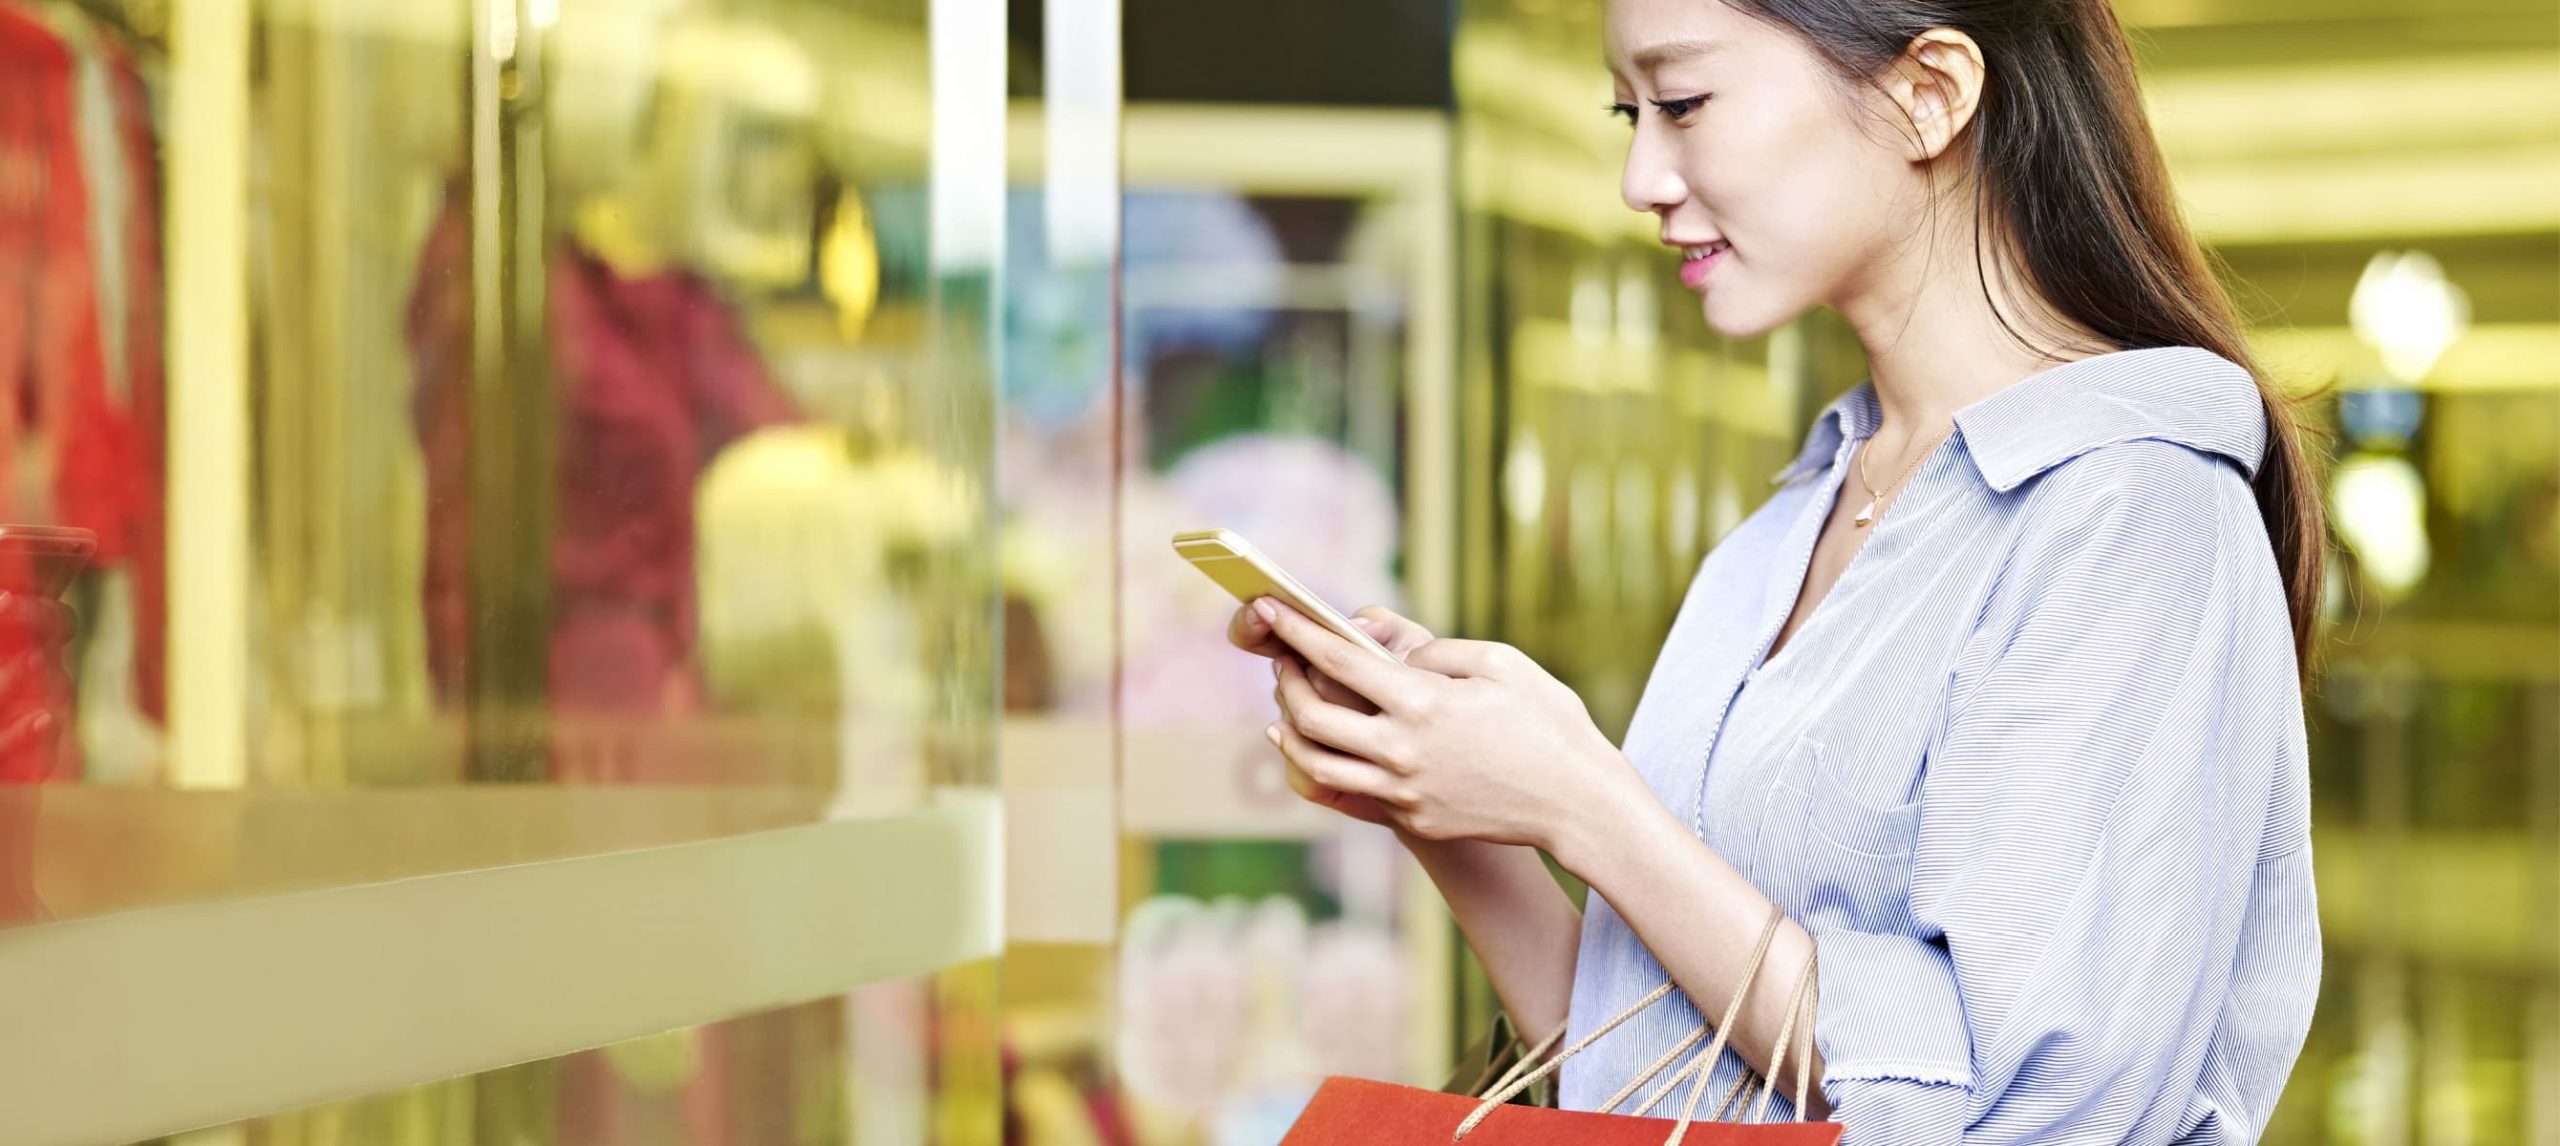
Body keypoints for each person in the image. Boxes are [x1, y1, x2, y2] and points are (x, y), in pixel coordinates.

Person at [1229, 0, 2322, 1141]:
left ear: (1928, 93)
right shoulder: (1796, 519)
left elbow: (2032, 1107)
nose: (1639, 176)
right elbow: (1647, 1077)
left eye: (1684, 102)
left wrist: (1586, 803)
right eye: (1626, 113)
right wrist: (1445, 800)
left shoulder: (2132, 510)